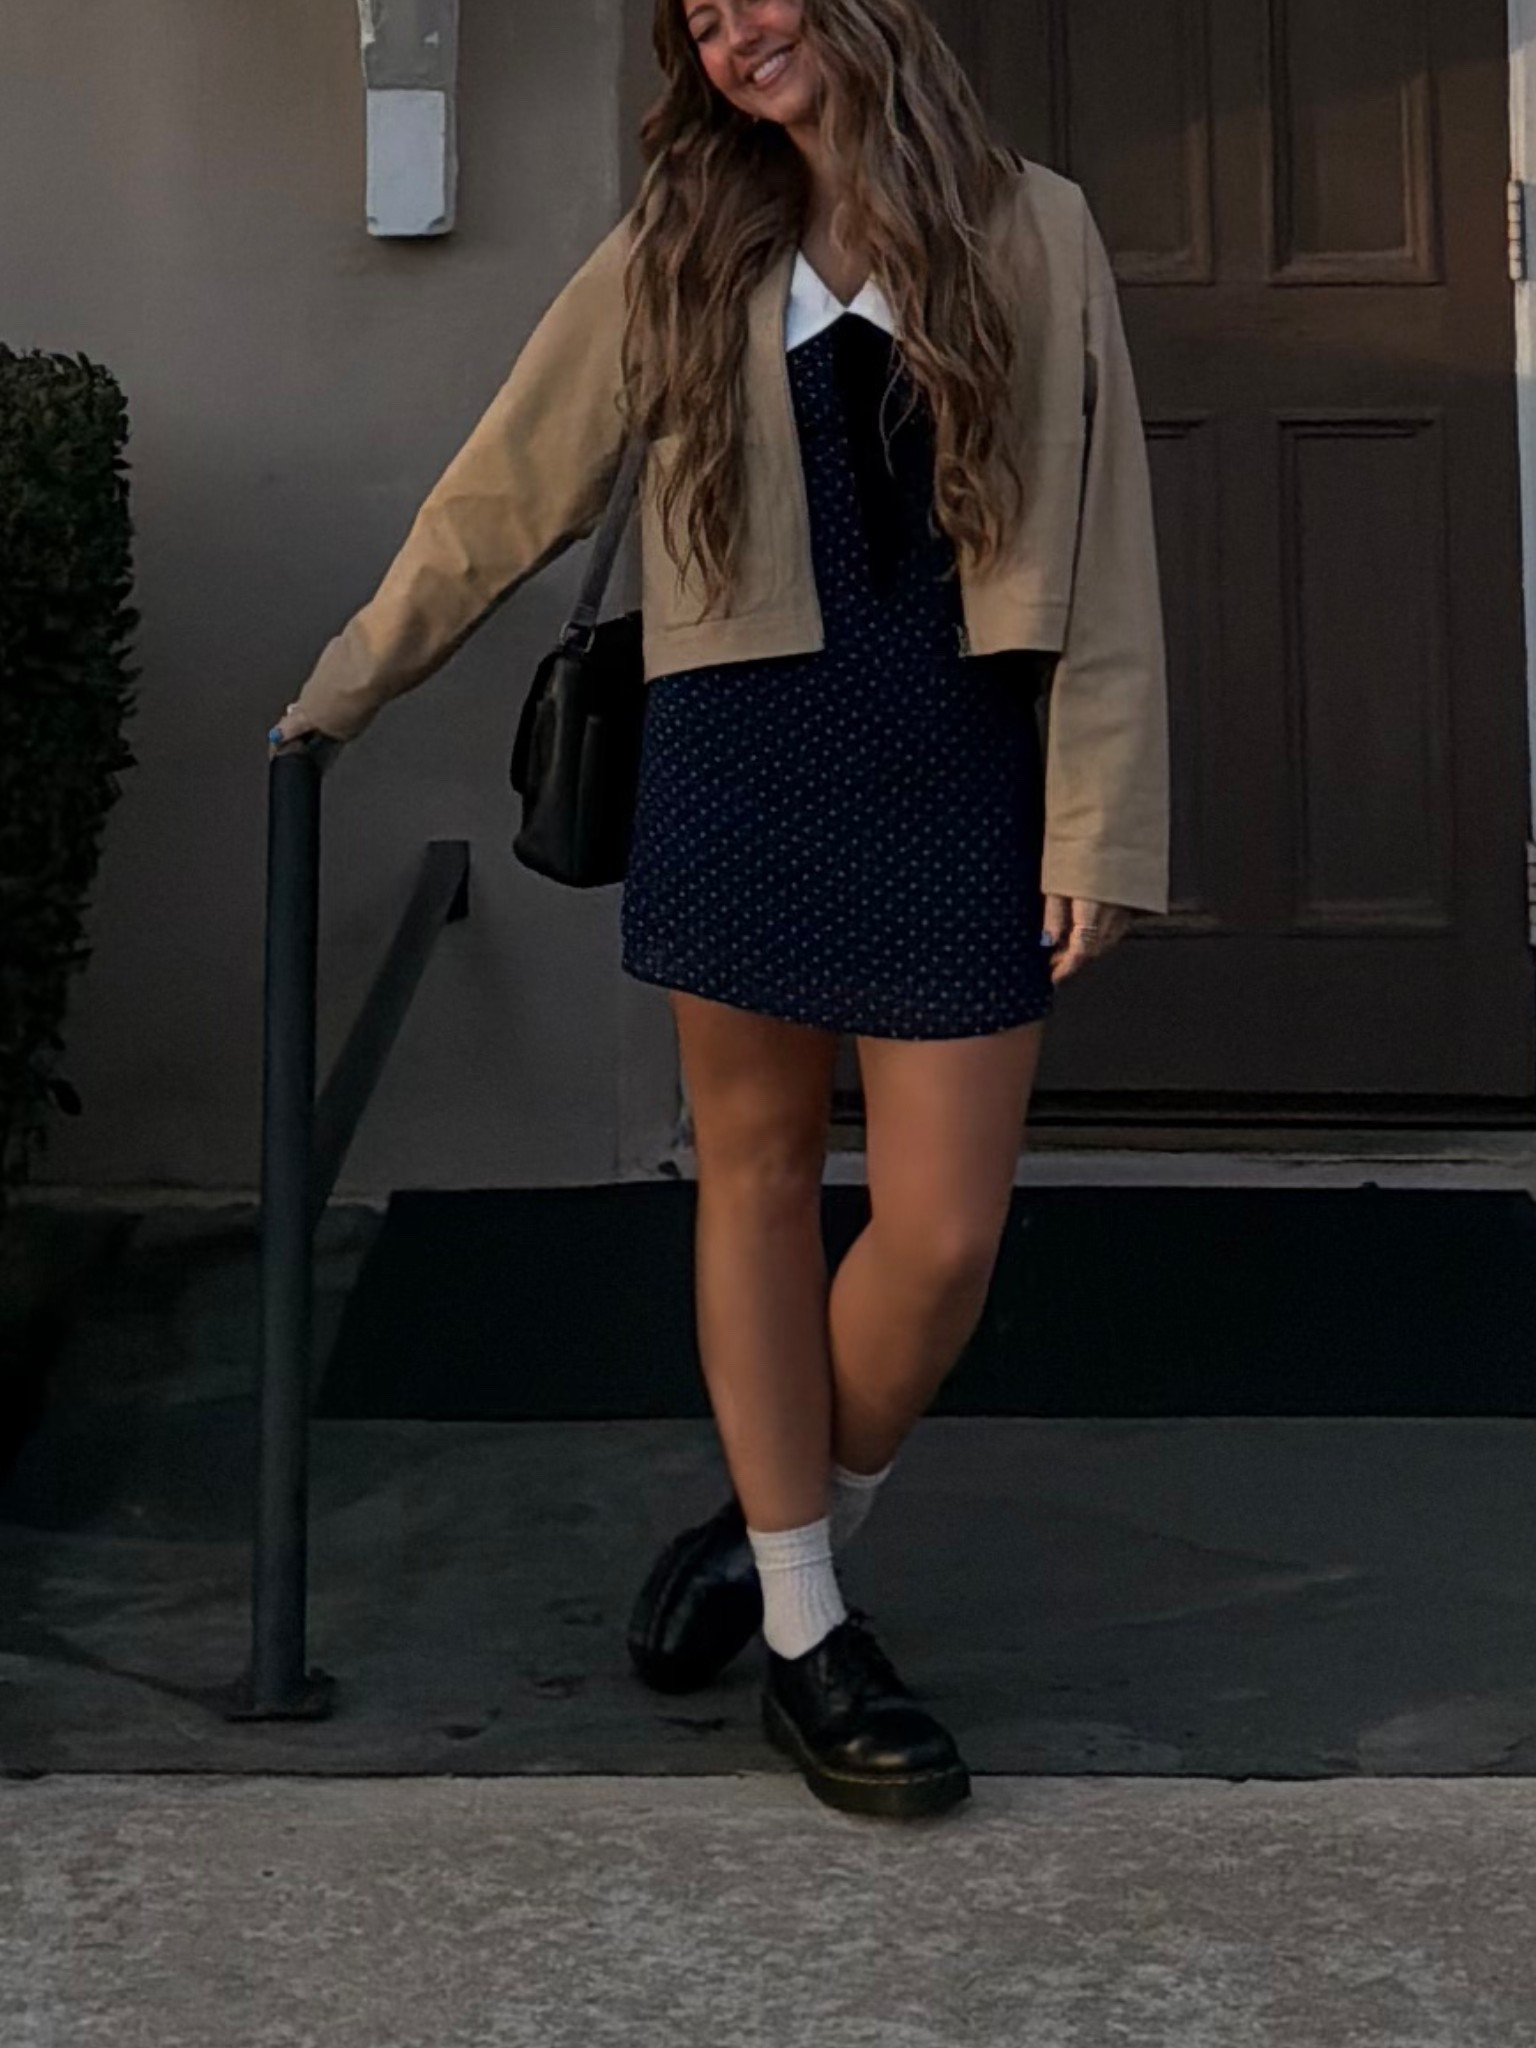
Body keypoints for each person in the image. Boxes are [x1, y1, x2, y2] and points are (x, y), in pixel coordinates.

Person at [270, 0, 1169, 1822]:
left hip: (957, 762)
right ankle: (810, 1632)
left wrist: (1100, 818)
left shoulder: (1035, 226)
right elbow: (507, 485)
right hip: (737, 756)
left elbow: (1110, 541)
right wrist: (339, 692)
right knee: (753, 1179)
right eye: (699, 12)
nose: (733, 29)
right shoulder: (680, 235)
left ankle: (782, 1531)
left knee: (941, 1236)